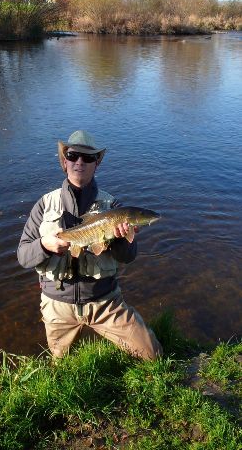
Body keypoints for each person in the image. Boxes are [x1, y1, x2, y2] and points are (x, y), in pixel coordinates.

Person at [17, 130, 162, 360]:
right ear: (64, 161)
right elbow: (23, 256)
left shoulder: (113, 205)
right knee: (61, 371)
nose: (80, 162)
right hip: (57, 305)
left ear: (97, 163)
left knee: (153, 355)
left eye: (88, 158)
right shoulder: (45, 204)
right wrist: (45, 245)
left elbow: (128, 257)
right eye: (73, 156)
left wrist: (119, 240)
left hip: (104, 301)